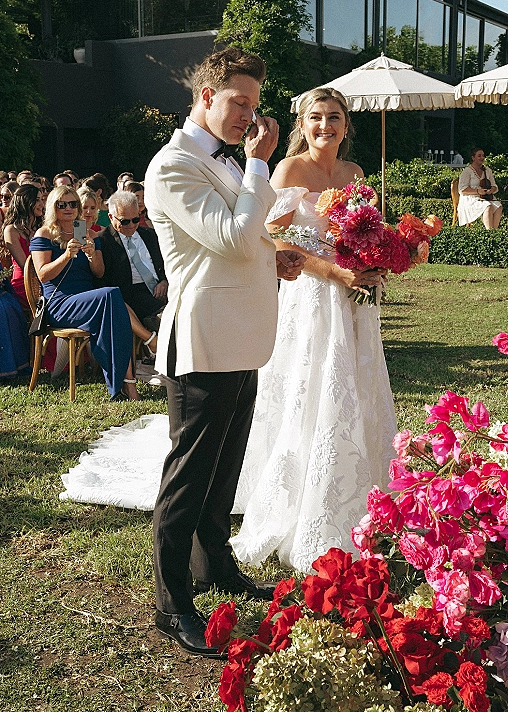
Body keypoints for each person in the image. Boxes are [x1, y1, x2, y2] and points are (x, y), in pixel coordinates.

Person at [144, 46, 304, 658]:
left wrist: (275, 255)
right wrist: (261, 167)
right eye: (238, 103)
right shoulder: (173, 166)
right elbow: (233, 238)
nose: (248, 118)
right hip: (205, 338)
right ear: (204, 96)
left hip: (243, 334)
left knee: (224, 465)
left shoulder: (230, 162)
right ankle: (172, 601)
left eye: (254, 106)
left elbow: (248, 238)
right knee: (187, 476)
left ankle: (215, 565)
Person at [230, 87, 398, 573]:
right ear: (302, 124)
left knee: (354, 384)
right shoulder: (289, 171)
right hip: (312, 296)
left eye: (334, 118)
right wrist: (335, 271)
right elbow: (276, 236)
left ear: (347, 125)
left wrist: (381, 255)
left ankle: (363, 495)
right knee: (315, 384)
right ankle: (304, 500)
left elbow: (367, 229)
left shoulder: (355, 175)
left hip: (357, 297)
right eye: (316, 118)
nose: (325, 126)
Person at [29, 185, 137, 400]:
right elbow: (42, 275)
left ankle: (125, 382)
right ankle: (125, 383)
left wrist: (91, 255)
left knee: (113, 307)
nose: (68, 208)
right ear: (53, 207)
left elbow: (99, 272)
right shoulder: (46, 233)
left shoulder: (84, 231)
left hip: (88, 300)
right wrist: (66, 256)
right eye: (62, 204)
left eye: (73, 204)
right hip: (59, 303)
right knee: (111, 296)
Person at [97, 190, 167, 352]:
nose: (131, 225)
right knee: (164, 315)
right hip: (130, 293)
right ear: (111, 217)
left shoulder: (149, 235)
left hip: (161, 287)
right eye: (124, 221)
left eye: (135, 219)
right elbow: (103, 278)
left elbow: (165, 263)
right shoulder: (103, 240)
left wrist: (164, 280)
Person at [3, 184, 45, 310]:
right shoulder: (11, 230)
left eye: (42, 200)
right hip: (25, 284)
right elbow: (26, 265)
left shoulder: (43, 228)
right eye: (37, 200)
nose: (41, 204)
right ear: (26, 201)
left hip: (45, 279)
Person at [457, 147, 503, 229]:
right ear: (473, 158)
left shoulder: (487, 170)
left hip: (485, 196)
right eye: (479, 156)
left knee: (499, 207)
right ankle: (489, 231)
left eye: (483, 155)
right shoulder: (467, 171)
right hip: (470, 198)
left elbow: (494, 186)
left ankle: (494, 232)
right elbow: (462, 189)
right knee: (487, 206)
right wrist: (478, 191)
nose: (482, 158)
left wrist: (492, 189)